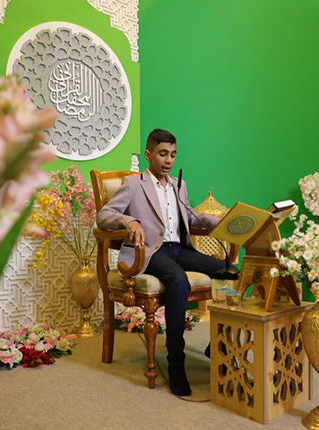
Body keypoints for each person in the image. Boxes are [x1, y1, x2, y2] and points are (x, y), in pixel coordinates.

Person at [96, 128, 237, 396]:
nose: (168, 160)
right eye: (163, 154)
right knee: (178, 281)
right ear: (148, 154)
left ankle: (219, 343)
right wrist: (129, 221)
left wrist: (221, 222)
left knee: (231, 271)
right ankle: (176, 364)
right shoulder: (133, 184)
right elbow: (104, 216)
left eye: (172, 154)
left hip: (180, 249)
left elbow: (190, 217)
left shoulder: (179, 185)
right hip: (151, 252)